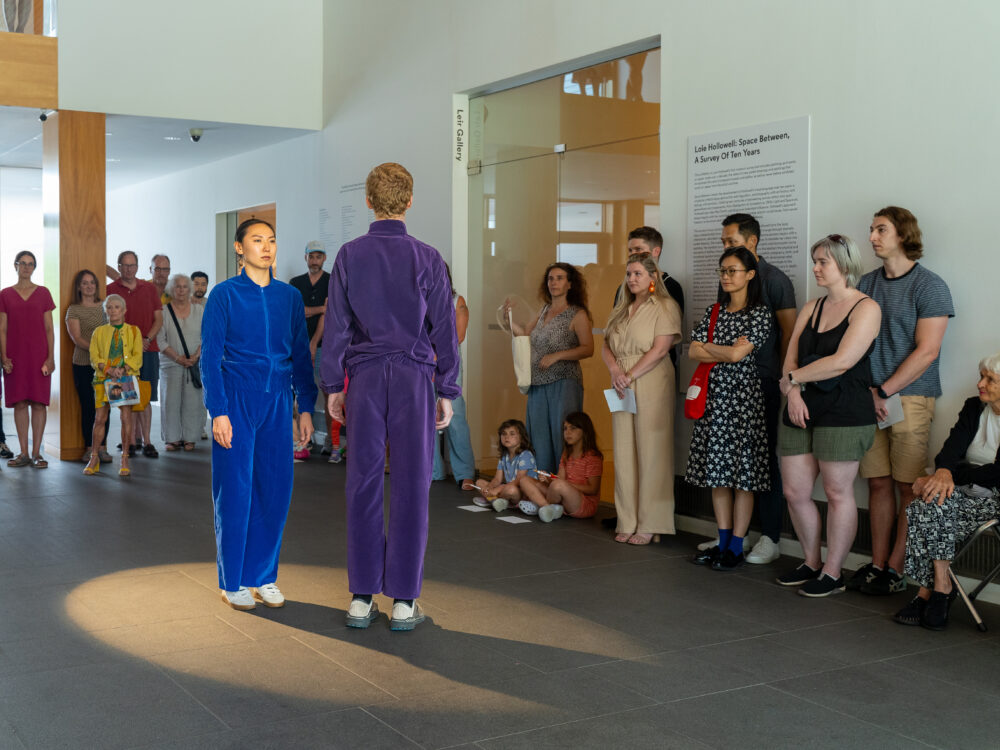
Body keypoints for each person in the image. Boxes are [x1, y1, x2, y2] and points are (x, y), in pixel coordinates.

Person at [322, 162, 459, 631]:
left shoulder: (348, 255)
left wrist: (332, 386)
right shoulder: (428, 258)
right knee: (411, 482)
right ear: (410, 200)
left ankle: (361, 597)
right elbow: (444, 330)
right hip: (414, 377)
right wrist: (448, 388)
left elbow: (336, 327)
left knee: (361, 481)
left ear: (367, 201)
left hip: (363, 374)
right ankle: (404, 600)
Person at [201, 219, 316, 611]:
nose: (266, 247)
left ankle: (264, 576)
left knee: (276, 489)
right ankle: (232, 579)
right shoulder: (224, 296)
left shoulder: (289, 298)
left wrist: (306, 407)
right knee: (234, 491)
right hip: (236, 398)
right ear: (239, 247)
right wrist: (219, 411)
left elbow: (301, 355)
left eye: (271, 241)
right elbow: (210, 359)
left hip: (279, 401)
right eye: (256, 240)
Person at [850, 206, 954, 595]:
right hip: (869, 398)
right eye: (872, 229)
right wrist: (869, 391)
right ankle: (878, 564)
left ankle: (897, 569)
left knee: (907, 487)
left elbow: (927, 351)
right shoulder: (865, 284)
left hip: (909, 398)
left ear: (903, 234)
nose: (873, 237)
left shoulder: (930, 286)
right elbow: (852, 342)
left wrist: (885, 390)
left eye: (881, 229)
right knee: (877, 482)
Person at [775, 235, 881, 597]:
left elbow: (842, 362)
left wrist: (792, 380)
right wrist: (791, 391)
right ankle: (811, 561)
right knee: (795, 491)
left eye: (823, 262)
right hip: (799, 403)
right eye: (815, 261)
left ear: (845, 265)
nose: (816, 268)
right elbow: (790, 355)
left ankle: (833, 572)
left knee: (837, 492)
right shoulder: (811, 307)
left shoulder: (866, 308)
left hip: (844, 408)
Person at [710, 213, 798, 566]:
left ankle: (771, 536)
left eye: (731, 241)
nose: (726, 249)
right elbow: (711, 335)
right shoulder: (726, 281)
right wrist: (723, 354)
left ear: (752, 241)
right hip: (728, 381)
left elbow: (789, 334)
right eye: (723, 243)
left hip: (763, 381)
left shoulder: (775, 280)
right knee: (731, 461)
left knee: (761, 459)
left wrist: (784, 379)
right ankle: (733, 538)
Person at [892, 353, 1000, 630]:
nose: (980, 384)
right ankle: (940, 586)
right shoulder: (974, 408)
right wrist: (941, 472)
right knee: (926, 504)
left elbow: (996, 474)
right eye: (981, 377)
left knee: (933, 499)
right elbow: (949, 451)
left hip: (995, 499)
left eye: (990, 379)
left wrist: (949, 474)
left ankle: (927, 593)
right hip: (964, 491)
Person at [686, 247, 771, 570]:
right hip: (713, 401)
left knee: (742, 475)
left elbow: (738, 357)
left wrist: (711, 349)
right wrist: (719, 349)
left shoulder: (759, 314)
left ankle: (736, 545)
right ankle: (722, 542)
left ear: (750, 274)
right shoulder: (713, 311)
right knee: (718, 474)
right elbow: (693, 350)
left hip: (743, 402)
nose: (726, 276)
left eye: (732, 270)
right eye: (722, 270)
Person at [603, 253, 682, 545]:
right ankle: (628, 519)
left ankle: (652, 522)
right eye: (629, 274)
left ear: (652, 277)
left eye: (637, 273)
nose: (632, 279)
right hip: (621, 381)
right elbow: (605, 345)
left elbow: (661, 349)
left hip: (651, 379)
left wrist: (630, 374)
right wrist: (615, 371)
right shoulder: (621, 309)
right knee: (624, 451)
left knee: (652, 451)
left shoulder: (665, 306)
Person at [506, 263, 594, 474]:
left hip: (564, 382)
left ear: (570, 284)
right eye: (551, 279)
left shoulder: (577, 314)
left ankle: (564, 485)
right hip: (537, 383)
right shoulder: (544, 310)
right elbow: (525, 335)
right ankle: (543, 486)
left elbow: (588, 348)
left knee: (562, 434)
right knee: (538, 437)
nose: (554, 283)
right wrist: (508, 318)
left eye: (560, 278)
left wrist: (558, 356)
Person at [0, 251, 55, 468]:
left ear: (34, 268)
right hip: (15, 356)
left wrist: (51, 358)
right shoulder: (4, 294)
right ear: (15, 266)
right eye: (22, 263)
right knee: (20, 403)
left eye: (30, 264)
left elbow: (50, 329)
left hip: (39, 355)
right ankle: (23, 452)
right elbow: (2, 329)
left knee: (39, 403)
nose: (26, 267)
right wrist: (3, 356)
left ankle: (37, 453)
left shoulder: (43, 293)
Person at [289, 240, 342, 462]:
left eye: (319, 256)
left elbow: (329, 315)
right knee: (296, 393)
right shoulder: (295, 282)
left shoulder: (331, 282)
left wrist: (313, 343)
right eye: (311, 256)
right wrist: (321, 308)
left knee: (329, 394)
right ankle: (302, 441)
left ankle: (332, 443)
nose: (315, 260)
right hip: (296, 346)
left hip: (325, 347)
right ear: (306, 258)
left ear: (324, 259)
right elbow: (295, 312)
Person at [107, 251, 163, 458]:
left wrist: (146, 339)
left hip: (148, 351)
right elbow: (108, 322)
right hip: (120, 354)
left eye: (132, 265)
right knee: (124, 398)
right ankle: (129, 442)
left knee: (145, 398)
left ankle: (147, 441)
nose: (128, 269)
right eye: (124, 265)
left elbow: (158, 319)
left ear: (138, 267)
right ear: (118, 266)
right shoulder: (110, 290)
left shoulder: (149, 288)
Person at [83, 294, 141, 477]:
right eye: (109, 307)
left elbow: (137, 356)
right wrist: (108, 369)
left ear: (124, 310)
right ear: (105, 311)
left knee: (125, 417)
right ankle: (94, 457)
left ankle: (124, 458)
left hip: (124, 379)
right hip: (103, 379)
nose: (113, 310)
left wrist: (122, 369)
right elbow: (94, 357)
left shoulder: (133, 331)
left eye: (116, 307)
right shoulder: (98, 332)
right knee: (100, 418)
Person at [433, 265, 476, 488]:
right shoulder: (419, 300)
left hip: (447, 365)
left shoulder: (457, 301)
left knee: (456, 417)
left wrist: (434, 355)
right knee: (425, 418)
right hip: (422, 365)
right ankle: (432, 471)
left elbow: (458, 336)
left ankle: (464, 472)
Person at [518, 411, 603, 523]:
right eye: (565, 429)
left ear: (585, 431)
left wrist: (564, 484)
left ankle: (539, 505)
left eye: (573, 428)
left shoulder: (593, 457)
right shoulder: (566, 454)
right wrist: (548, 478)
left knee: (558, 485)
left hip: (583, 503)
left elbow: (593, 489)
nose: (567, 432)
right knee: (524, 480)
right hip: (562, 494)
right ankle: (546, 506)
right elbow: (559, 478)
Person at [65, 269, 112, 464]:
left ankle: (102, 448)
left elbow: (114, 332)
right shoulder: (73, 309)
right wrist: (97, 355)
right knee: (88, 407)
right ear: (79, 287)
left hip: (107, 366)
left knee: (105, 407)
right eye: (84, 283)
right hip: (84, 364)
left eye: (92, 282)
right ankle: (89, 449)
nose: (89, 286)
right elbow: (77, 339)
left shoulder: (106, 307)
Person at [157, 274, 206, 451]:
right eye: (177, 286)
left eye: (185, 286)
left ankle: (190, 438)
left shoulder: (199, 311)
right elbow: (160, 341)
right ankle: (172, 439)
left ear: (190, 289)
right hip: (170, 364)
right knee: (170, 402)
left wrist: (195, 357)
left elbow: (206, 337)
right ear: (171, 289)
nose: (181, 290)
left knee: (193, 402)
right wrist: (178, 358)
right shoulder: (163, 311)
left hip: (194, 363)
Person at [474, 419, 537, 512]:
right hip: (507, 487)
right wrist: (490, 487)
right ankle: (496, 499)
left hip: (521, 492)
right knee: (479, 482)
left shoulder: (526, 455)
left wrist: (498, 489)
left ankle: (493, 499)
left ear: (521, 437)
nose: (507, 437)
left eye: (512, 434)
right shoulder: (504, 455)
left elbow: (519, 481)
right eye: (504, 434)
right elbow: (497, 479)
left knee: (511, 489)